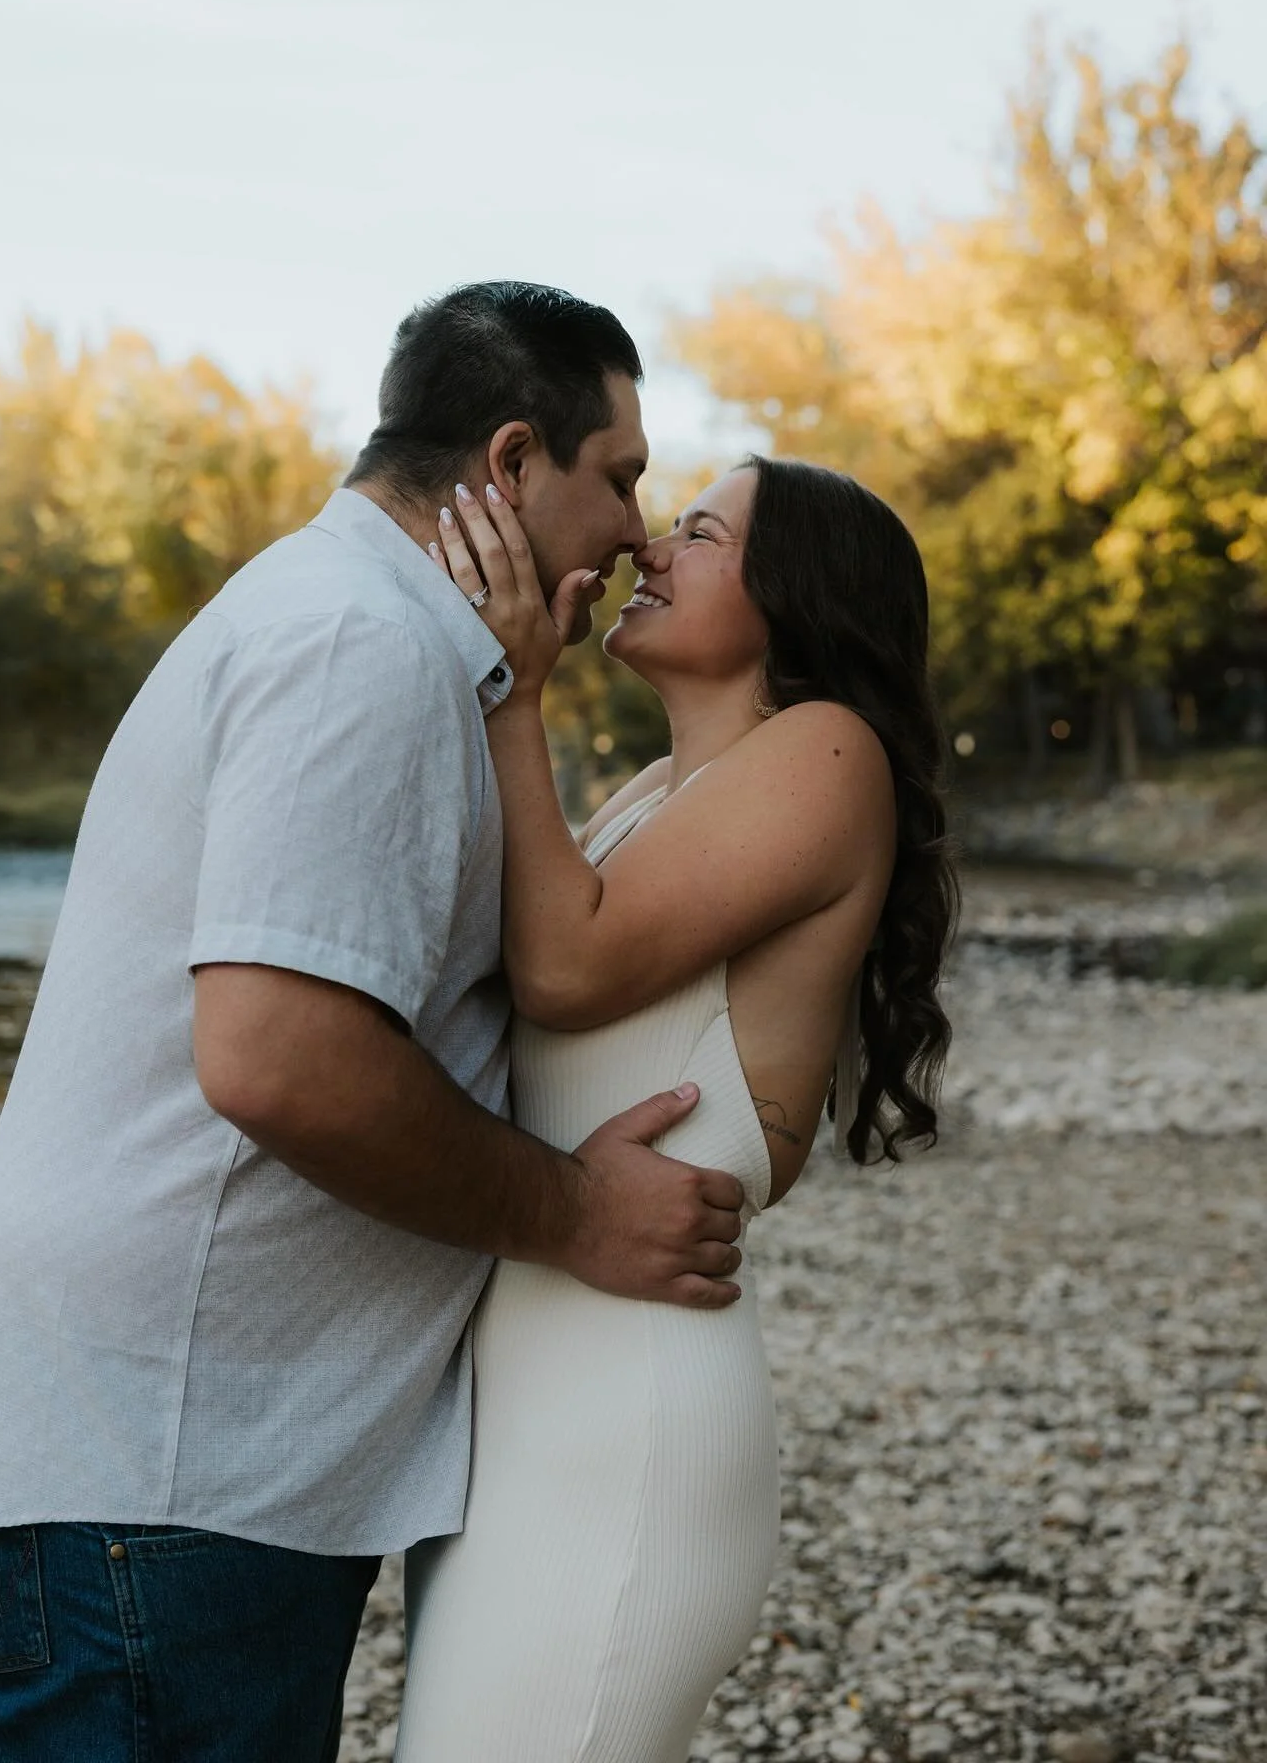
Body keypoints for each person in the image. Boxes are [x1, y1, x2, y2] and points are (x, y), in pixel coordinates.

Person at [0, 282, 750, 1763]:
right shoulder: (362, 646)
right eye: (620, 479)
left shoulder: (374, 631)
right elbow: (282, 1061)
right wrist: (575, 1216)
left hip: (178, 1469)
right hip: (159, 1475)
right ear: (514, 460)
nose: (633, 531)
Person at [396, 454, 959, 1761]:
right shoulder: (652, 793)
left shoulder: (828, 752)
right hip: (532, 1410)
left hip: (627, 1423)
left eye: (699, 532)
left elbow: (566, 966)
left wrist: (515, 690)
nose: (654, 545)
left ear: (793, 596)